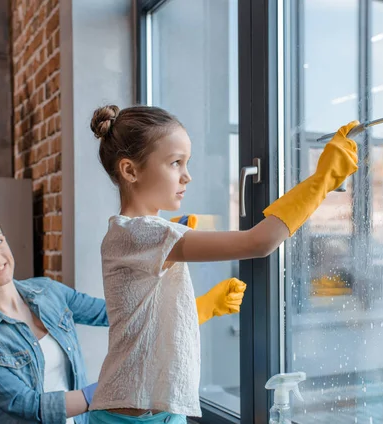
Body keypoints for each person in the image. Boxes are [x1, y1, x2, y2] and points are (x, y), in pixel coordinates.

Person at [87, 105, 359, 423]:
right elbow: (257, 242)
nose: (187, 176)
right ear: (131, 171)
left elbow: (143, 320)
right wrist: (322, 180)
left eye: (186, 163)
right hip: (133, 419)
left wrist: (203, 307)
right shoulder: (139, 233)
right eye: (175, 163)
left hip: (155, 412)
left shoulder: (139, 232)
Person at [0, 209, 246, 424]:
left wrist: (199, 303)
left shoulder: (47, 292)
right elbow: (24, 405)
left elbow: (120, 312)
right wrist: (105, 390)